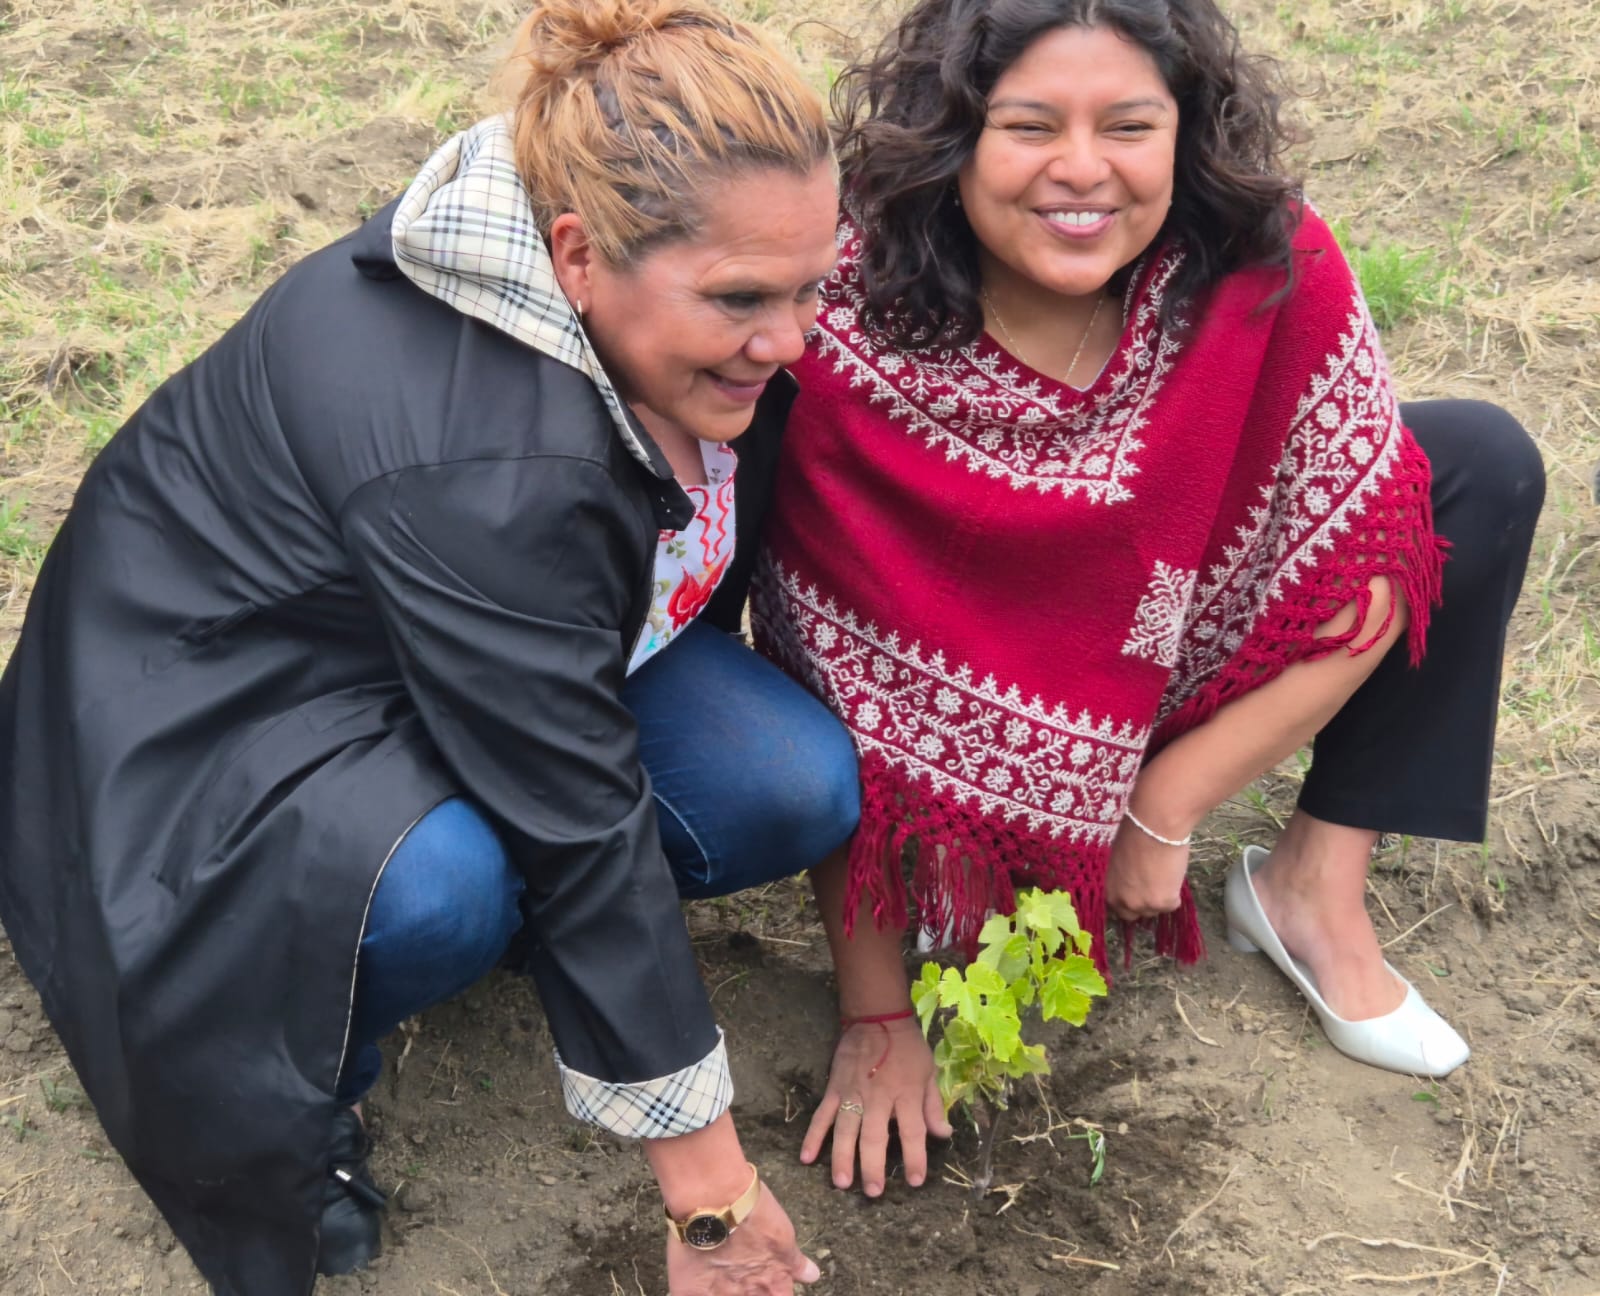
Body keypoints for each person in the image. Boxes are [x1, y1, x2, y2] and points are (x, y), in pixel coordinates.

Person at [0, 3, 854, 1292]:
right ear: (576, 254)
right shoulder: (488, 453)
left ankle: (507, 933)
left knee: (784, 779)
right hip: (209, 716)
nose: (788, 340)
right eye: (741, 299)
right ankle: (310, 1065)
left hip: (448, 647)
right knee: (439, 889)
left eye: (809, 286)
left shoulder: (616, 282)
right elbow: (576, 809)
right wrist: (710, 1195)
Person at [749, 0, 1545, 1199]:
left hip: (1164, 640)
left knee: (1471, 467)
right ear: (954, 138)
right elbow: (828, 662)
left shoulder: (1258, 260)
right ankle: (969, 868)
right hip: (950, 713)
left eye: (1128, 124)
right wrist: (876, 1016)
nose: (1082, 170)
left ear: (1186, 132)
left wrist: (1166, 804)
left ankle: (1308, 892)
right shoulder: (843, 314)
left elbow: (1373, 545)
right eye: (1027, 126)